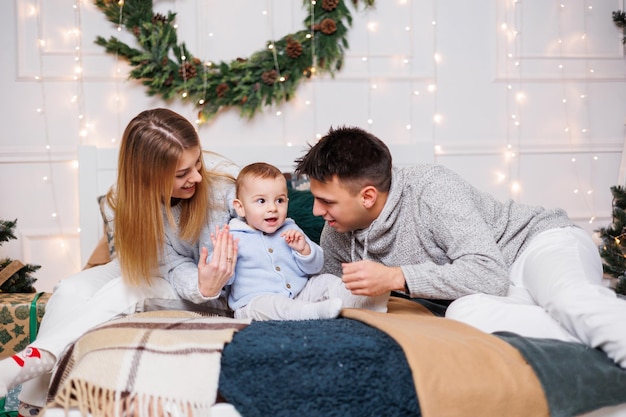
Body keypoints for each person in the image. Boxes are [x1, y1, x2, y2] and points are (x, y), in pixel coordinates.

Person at [293, 125, 626, 369]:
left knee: (569, 298)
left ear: (367, 195)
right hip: (497, 294)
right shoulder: (338, 232)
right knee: (463, 314)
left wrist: (396, 277)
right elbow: (328, 296)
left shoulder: (432, 190)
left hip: (535, 246)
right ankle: (582, 331)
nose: (316, 212)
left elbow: (489, 273)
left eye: (326, 201)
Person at [0, 108, 239, 412]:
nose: (197, 176)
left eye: (197, 163)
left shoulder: (224, 191)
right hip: (156, 266)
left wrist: (203, 286)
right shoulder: (124, 202)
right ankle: (31, 402)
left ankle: (23, 371)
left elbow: (184, 270)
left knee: (122, 292)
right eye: (181, 174)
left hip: (202, 287)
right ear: (147, 177)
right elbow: (154, 262)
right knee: (70, 288)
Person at [226, 162, 389, 321]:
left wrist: (304, 250)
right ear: (240, 207)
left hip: (300, 293)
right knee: (271, 305)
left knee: (326, 281)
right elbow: (221, 280)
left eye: (279, 200)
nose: (273, 208)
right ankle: (313, 312)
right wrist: (225, 262)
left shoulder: (290, 228)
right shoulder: (231, 238)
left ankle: (365, 300)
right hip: (254, 303)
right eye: (261, 201)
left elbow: (316, 267)